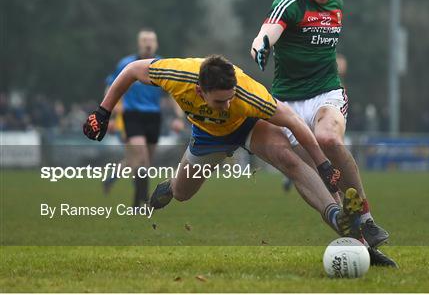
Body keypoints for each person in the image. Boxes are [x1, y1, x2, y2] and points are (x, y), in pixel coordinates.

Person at [83, 55, 395, 266]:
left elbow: (296, 126)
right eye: (220, 100)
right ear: (199, 91)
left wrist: (325, 166)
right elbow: (131, 71)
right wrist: (103, 111)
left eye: (231, 97)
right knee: (182, 192)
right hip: (207, 136)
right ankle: (170, 187)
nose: (228, 103)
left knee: (288, 159)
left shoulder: (248, 95)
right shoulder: (175, 74)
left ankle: (334, 215)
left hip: (249, 127)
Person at [250, 0, 395, 264]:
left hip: (327, 93)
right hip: (288, 103)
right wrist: (261, 46)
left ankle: (367, 220)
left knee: (328, 139)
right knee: (323, 186)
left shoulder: (337, 6)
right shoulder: (290, 1)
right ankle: (365, 249)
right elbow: (267, 31)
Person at [103, 28, 183, 206]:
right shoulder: (127, 63)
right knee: (140, 158)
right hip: (132, 115)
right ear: (139, 43)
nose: (148, 43)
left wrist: (179, 117)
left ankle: (133, 198)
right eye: (144, 40)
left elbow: (173, 92)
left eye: (151, 40)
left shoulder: (162, 64)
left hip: (154, 116)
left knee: (144, 162)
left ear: (156, 44)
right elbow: (111, 87)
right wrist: (111, 112)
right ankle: (142, 202)